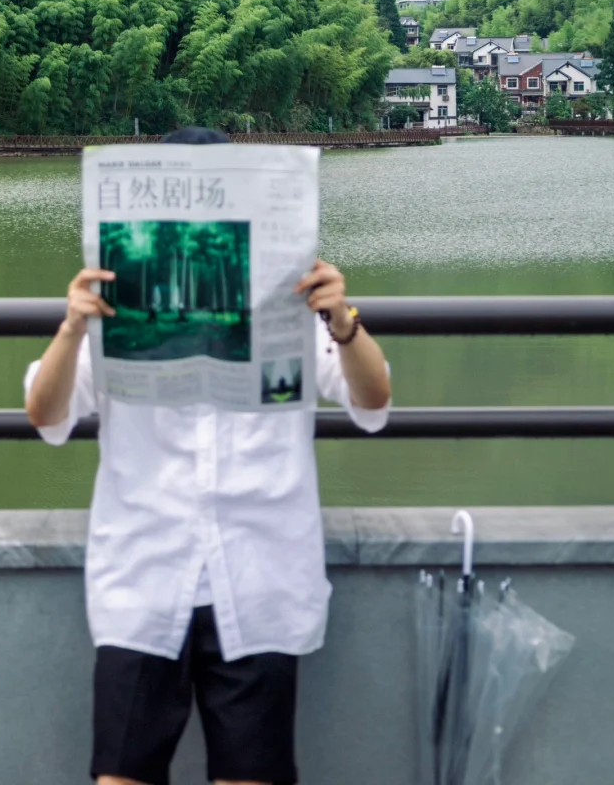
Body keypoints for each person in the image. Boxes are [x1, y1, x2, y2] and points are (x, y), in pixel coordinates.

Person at [24, 127, 392, 785]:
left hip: (260, 568)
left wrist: (344, 322)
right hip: (144, 568)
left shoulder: (291, 304)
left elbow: (372, 402)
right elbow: (45, 414)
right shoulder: (116, 304)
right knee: (121, 778)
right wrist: (72, 325)